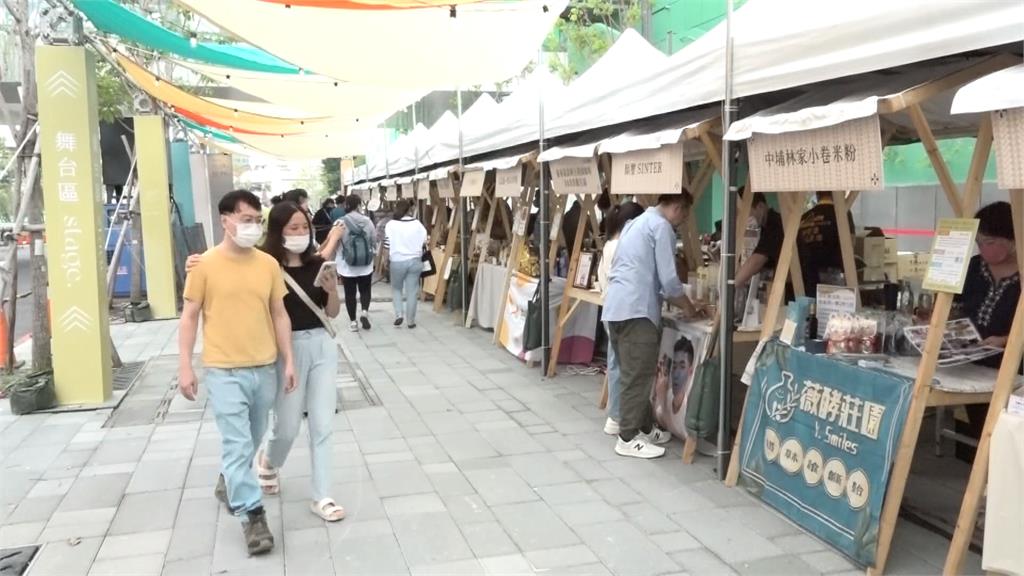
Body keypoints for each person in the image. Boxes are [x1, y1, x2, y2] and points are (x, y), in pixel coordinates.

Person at [178, 189, 295, 556]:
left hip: (264, 367)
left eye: (257, 220)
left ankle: (229, 479)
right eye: (246, 220)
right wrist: (185, 365)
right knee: (238, 442)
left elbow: (278, 312)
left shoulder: (268, 265)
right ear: (225, 220)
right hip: (223, 370)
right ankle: (253, 516)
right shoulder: (204, 266)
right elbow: (190, 315)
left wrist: (288, 359)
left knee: (254, 437)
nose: (253, 227)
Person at [255, 201, 346, 522]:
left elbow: (332, 313)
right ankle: (269, 461)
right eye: (292, 227)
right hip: (285, 350)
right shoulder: (265, 266)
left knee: (322, 424)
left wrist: (333, 290)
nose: (300, 233)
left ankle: (322, 496)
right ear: (278, 230)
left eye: (304, 227)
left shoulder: (319, 264)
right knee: (288, 425)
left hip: (322, 345)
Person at [602, 192, 701, 459]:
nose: (682, 222)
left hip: (615, 307)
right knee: (639, 375)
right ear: (678, 208)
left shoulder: (638, 222)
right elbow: (669, 281)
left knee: (631, 372)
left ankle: (644, 427)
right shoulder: (661, 227)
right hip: (637, 311)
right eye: (684, 215)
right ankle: (628, 437)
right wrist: (689, 307)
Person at [956, 202, 1021, 440]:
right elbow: (952, 306)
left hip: (1014, 370)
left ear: (1013, 240)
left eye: (990, 242)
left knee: (1008, 436)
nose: (983, 248)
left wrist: (1005, 340)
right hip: (971, 367)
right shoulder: (973, 268)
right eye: (979, 242)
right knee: (982, 433)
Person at [596, 201, 644, 436]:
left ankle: (615, 415)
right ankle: (618, 416)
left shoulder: (609, 245)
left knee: (616, 363)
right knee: (624, 366)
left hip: (609, 308)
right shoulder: (621, 246)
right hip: (621, 311)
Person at [797, 191, 856, 297]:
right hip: (834, 280)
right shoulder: (842, 213)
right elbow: (850, 245)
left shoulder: (804, 218)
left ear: (817, 194)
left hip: (806, 278)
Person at [385, 199, 428, 328]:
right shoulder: (418, 224)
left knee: (396, 289)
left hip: (397, 261)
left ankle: (399, 314)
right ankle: (411, 321)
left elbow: (387, 245)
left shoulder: (391, 224)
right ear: (409, 210)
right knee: (412, 292)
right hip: (415, 261)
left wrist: (385, 260)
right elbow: (424, 242)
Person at [337, 194, 377, 332]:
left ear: (346, 205)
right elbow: (374, 239)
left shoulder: (339, 222)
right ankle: (364, 312)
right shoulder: (367, 221)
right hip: (365, 263)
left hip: (346, 264)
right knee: (365, 289)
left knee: (350, 293)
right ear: (359, 205)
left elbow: (335, 242)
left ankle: (353, 322)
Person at [735, 193, 783, 288]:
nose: (744, 219)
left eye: (746, 214)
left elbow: (757, 261)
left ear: (760, 206)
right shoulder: (761, 227)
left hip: (793, 293)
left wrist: (730, 287)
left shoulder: (776, 224)